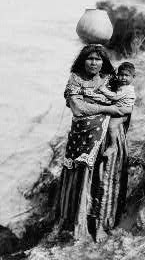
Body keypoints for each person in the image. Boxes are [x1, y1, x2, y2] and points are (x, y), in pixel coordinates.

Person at [57, 45, 134, 242]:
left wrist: (115, 113)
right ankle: (78, 225)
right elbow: (77, 107)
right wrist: (107, 109)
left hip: (110, 137)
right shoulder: (75, 78)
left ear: (103, 62)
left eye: (98, 59)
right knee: (83, 179)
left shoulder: (110, 78)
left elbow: (126, 102)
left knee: (104, 177)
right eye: (90, 59)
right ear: (83, 60)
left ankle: (102, 224)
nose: (94, 63)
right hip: (83, 138)